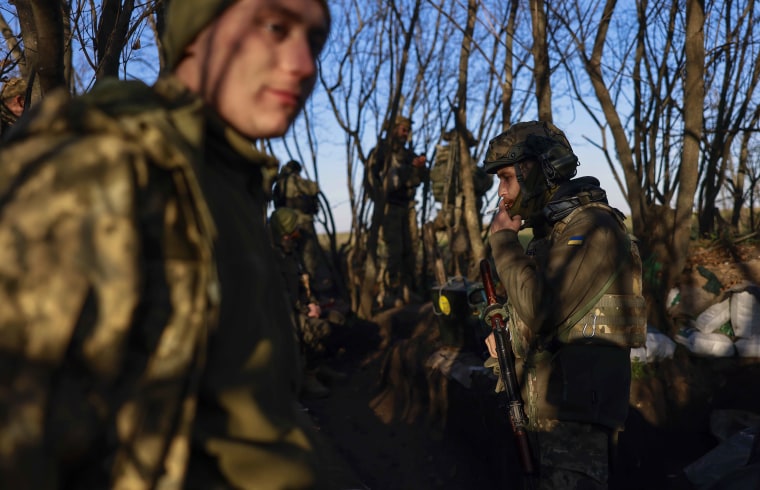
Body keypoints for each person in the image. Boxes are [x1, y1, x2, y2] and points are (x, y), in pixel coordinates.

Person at [0, 0, 335, 488]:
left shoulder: (227, 180)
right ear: (198, 31)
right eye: (274, 26)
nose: (304, 64)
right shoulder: (101, 165)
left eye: (315, 41)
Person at [482, 121, 646, 489]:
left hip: (574, 426)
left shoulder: (592, 229)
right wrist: (501, 328)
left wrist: (505, 243)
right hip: (542, 413)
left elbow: (541, 309)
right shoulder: (550, 236)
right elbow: (525, 310)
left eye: (506, 178)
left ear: (540, 169)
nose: (502, 193)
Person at [269, 207, 347, 399]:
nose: (296, 237)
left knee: (337, 319)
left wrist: (313, 303)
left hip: (299, 308)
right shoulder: (271, 258)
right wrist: (305, 310)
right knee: (318, 329)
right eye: (293, 232)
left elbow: (304, 285)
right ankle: (307, 376)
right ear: (284, 234)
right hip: (283, 314)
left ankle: (319, 367)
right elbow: (280, 296)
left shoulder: (291, 255)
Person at [365, 114, 428, 308]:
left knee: (411, 249)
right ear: (393, 129)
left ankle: (407, 290)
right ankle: (389, 293)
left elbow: (421, 178)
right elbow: (370, 181)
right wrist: (380, 202)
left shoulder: (407, 154)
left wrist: (419, 167)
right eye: (403, 129)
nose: (406, 133)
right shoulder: (380, 153)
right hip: (389, 207)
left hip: (407, 206)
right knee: (393, 251)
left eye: (408, 130)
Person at [430, 127, 493, 278]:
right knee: (463, 252)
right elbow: (481, 183)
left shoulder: (450, 163)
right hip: (461, 214)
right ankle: (464, 284)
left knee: (464, 252)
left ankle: (464, 281)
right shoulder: (456, 165)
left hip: (459, 212)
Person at [272, 159, 333, 297]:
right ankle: (310, 291)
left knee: (291, 258)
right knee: (308, 257)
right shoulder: (293, 180)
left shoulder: (279, 184)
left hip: (283, 225)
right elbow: (314, 188)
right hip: (302, 223)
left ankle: (298, 290)